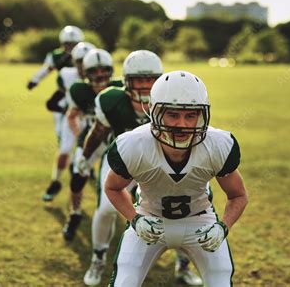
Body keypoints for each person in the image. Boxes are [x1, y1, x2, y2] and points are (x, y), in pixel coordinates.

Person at [105, 71, 248, 287]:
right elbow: (112, 188)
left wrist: (222, 227)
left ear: (202, 115)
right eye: (173, 114)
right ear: (155, 112)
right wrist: (135, 219)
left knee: (221, 281)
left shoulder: (218, 145)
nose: (182, 124)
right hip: (149, 219)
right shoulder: (134, 146)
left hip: (200, 221)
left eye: (191, 115)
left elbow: (238, 195)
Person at [78, 52, 202, 286]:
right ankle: (98, 257)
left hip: (159, 162)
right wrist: (85, 157)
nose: (145, 85)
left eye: (150, 79)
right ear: (127, 81)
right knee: (105, 209)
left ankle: (183, 265)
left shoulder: (171, 98)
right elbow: (97, 132)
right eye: (139, 80)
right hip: (123, 160)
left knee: (186, 211)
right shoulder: (111, 101)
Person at [62, 49, 123, 240]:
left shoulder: (120, 88)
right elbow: (71, 115)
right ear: (85, 73)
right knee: (77, 178)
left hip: (114, 142)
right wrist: (80, 135)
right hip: (90, 140)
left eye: (103, 71)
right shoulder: (79, 90)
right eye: (94, 72)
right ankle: (75, 213)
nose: (99, 76)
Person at [26, 26, 85, 202]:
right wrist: (34, 81)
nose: (71, 48)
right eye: (68, 44)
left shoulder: (87, 58)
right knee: (64, 145)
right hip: (67, 103)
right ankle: (58, 178)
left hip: (86, 109)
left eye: (74, 44)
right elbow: (47, 69)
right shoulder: (64, 69)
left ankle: (79, 165)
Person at [41, 41, 96, 201]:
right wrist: (58, 106)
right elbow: (56, 98)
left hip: (92, 120)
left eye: (85, 61)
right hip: (72, 117)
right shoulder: (66, 75)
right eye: (79, 61)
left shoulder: (100, 77)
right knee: (65, 150)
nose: (82, 66)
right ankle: (55, 181)